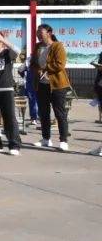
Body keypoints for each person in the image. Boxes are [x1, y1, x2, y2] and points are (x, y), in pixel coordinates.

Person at [31, 24, 70, 152]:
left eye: (40, 32)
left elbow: (60, 64)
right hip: (41, 85)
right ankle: (46, 138)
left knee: (59, 113)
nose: (38, 34)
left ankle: (63, 140)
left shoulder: (57, 46)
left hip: (57, 85)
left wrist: (45, 68)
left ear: (49, 33)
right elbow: (33, 63)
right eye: (37, 32)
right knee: (43, 112)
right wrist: (36, 69)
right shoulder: (37, 47)